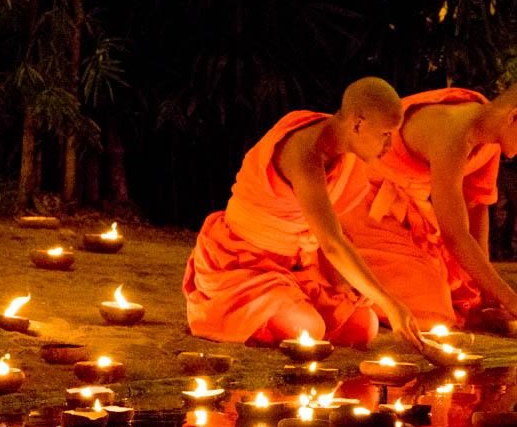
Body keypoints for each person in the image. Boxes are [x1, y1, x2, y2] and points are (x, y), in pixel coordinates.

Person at [184, 77, 457, 363]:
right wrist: (388, 302)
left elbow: (333, 231)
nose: (390, 145)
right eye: (386, 134)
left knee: (364, 326)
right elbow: (332, 242)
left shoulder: (344, 152)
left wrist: (344, 281)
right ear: (358, 124)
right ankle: (248, 312)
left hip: (296, 265)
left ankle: (295, 303)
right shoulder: (305, 151)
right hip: (243, 262)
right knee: (309, 328)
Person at [341, 78, 517, 329]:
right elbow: (455, 234)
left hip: (409, 212)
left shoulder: (488, 134)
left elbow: (476, 206)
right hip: (363, 204)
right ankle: (339, 283)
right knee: (432, 311)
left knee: (467, 292)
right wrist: (511, 298)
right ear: (515, 117)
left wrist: (490, 297)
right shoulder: (454, 131)